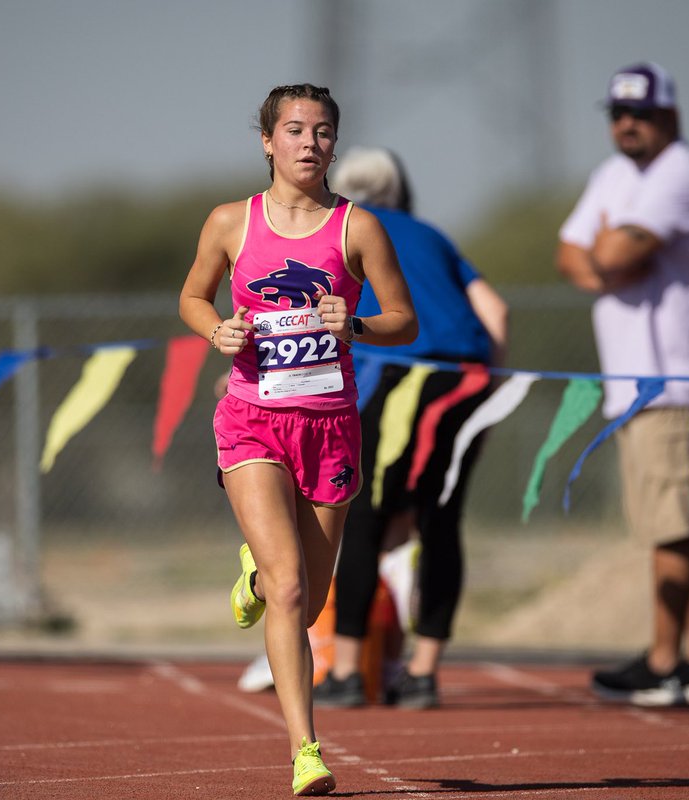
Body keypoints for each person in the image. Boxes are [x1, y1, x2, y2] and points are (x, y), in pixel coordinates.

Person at [179, 84, 416, 796]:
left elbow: (405, 318)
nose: (309, 143)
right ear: (267, 141)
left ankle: (253, 576)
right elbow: (193, 296)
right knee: (289, 588)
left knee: (305, 600)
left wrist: (358, 323)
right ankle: (305, 750)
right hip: (253, 416)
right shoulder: (230, 222)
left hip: (331, 423)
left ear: (334, 144)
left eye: (321, 132)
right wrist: (213, 328)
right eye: (294, 130)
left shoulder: (358, 228)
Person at [556, 62, 689, 706]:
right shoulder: (614, 175)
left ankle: (663, 662)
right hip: (638, 387)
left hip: (677, 386)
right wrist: (608, 256)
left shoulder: (683, 172)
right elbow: (571, 254)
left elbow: (609, 255)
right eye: (617, 114)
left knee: (669, 529)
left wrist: (608, 252)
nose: (626, 124)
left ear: (670, 117)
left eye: (641, 113)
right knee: (678, 525)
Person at [313, 146, 509, 709]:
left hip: (399, 379)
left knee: (365, 516)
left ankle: (347, 673)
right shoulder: (433, 235)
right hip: (465, 378)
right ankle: (423, 672)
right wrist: (489, 396)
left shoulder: (341, 230)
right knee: (441, 520)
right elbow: (496, 312)